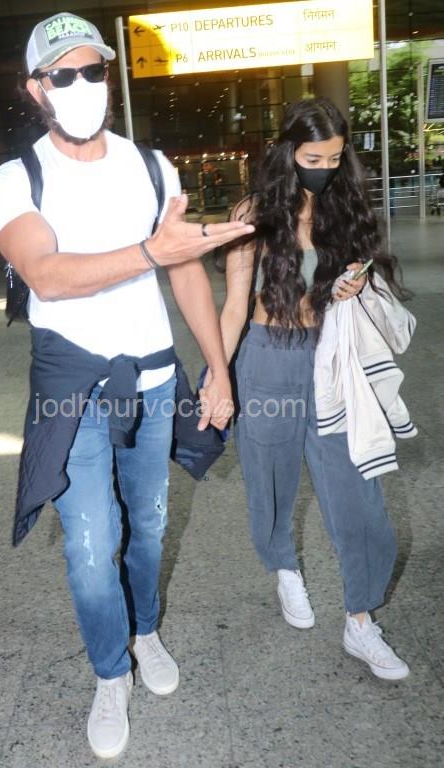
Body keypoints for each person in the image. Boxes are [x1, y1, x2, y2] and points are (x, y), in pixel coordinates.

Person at [0, 12, 252, 761]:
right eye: (62, 74)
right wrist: (150, 251)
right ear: (36, 88)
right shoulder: (16, 179)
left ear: (109, 75)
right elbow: (46, 275)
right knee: (89, 545)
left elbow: (185, 273)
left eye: (93, 70)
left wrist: (218, 369)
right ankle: (110, 672)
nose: (81, 85)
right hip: (73, 390)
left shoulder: (151, 166)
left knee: (151, 526)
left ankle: (145, 631)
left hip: (156, 381)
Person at [217, 98, 411, 681]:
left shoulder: (344, 209)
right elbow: (234, 305)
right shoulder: (252, 212)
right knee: (269, 483)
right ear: (288, 153)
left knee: (358, 493)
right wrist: (218, 375)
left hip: (331, 362)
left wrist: (352, 287)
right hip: (267, 361)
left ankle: (360, 621)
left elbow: (361, 278)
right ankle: (285, 567)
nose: (324, 169)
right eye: (312, 159)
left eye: (333, 158)